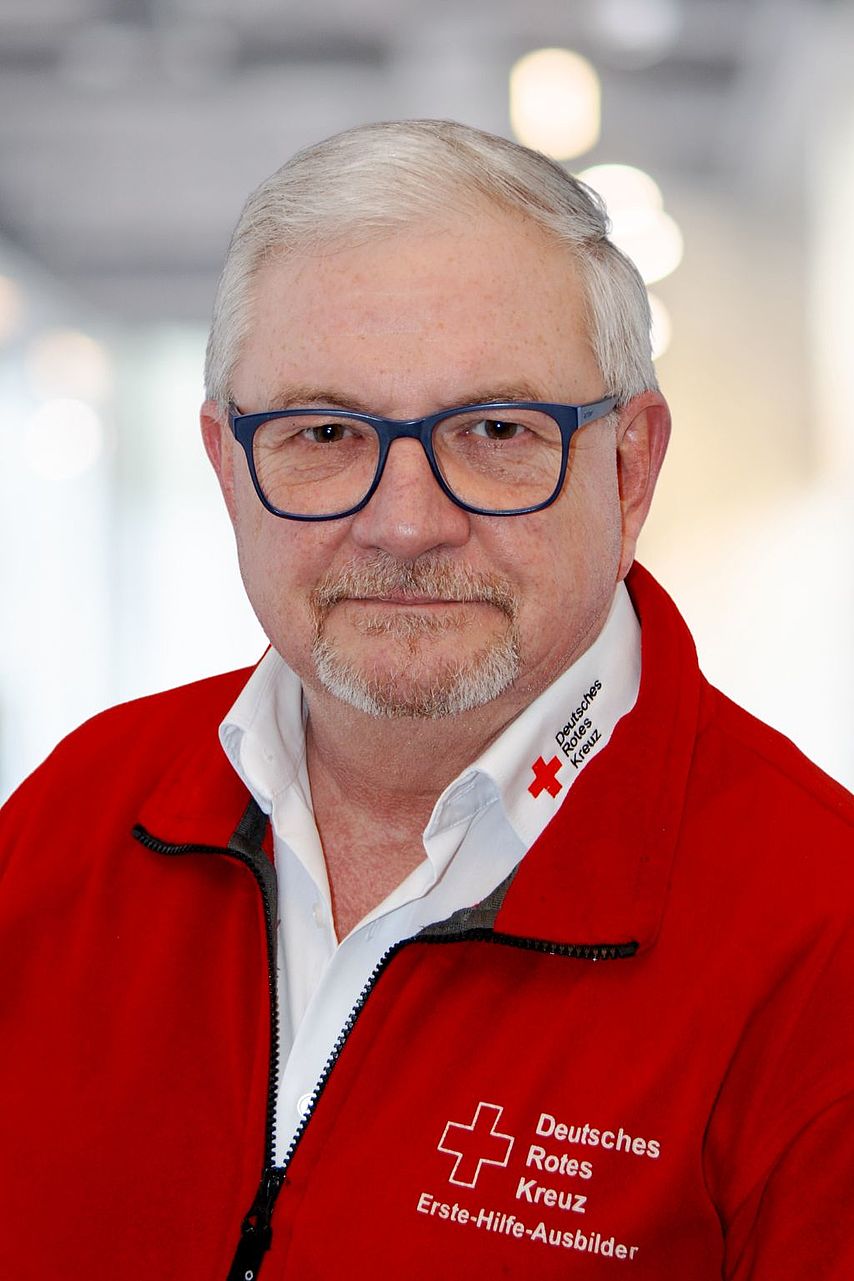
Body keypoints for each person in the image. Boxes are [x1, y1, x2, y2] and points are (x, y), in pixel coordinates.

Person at [0, 120, 851, 1281]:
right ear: (227, 468)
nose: (404, 523)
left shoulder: (816, 936)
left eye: (495, 431)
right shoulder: (70, 819)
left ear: (628, 469)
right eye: (323, 433)